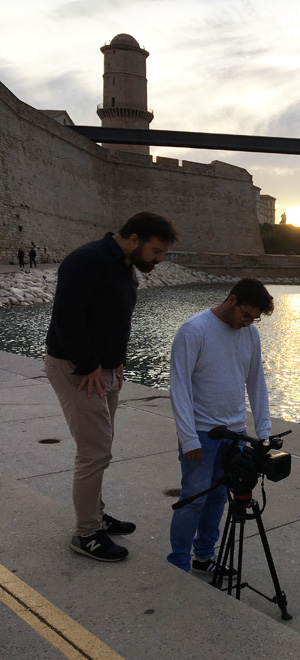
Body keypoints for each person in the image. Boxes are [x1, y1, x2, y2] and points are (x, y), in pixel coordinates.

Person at [45, 212, 180, 562]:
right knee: (95, 451)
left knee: (100, 447)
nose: (159, 259)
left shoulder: (124, 266)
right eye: (156, 251)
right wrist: (89, 364)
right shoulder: (87, 260)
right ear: (134, 239)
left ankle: (95, 514)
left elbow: (114, 318)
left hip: (105, 368)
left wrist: (116, 360)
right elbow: (67, 316)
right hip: (77, 368)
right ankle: (85, 533)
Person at [167, 278, 274, 574]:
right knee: (193, 498)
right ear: (231, 300)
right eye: (246, 315)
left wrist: (264, 432)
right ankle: (178, 564)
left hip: (235, 433)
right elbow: (179, 387)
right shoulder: (194, 330)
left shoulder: (250, 333)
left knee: (218, 497)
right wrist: (188, 438)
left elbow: (256, 382)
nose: (248, 323)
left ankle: (204, 557)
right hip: (201, 433)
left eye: (254, 319)